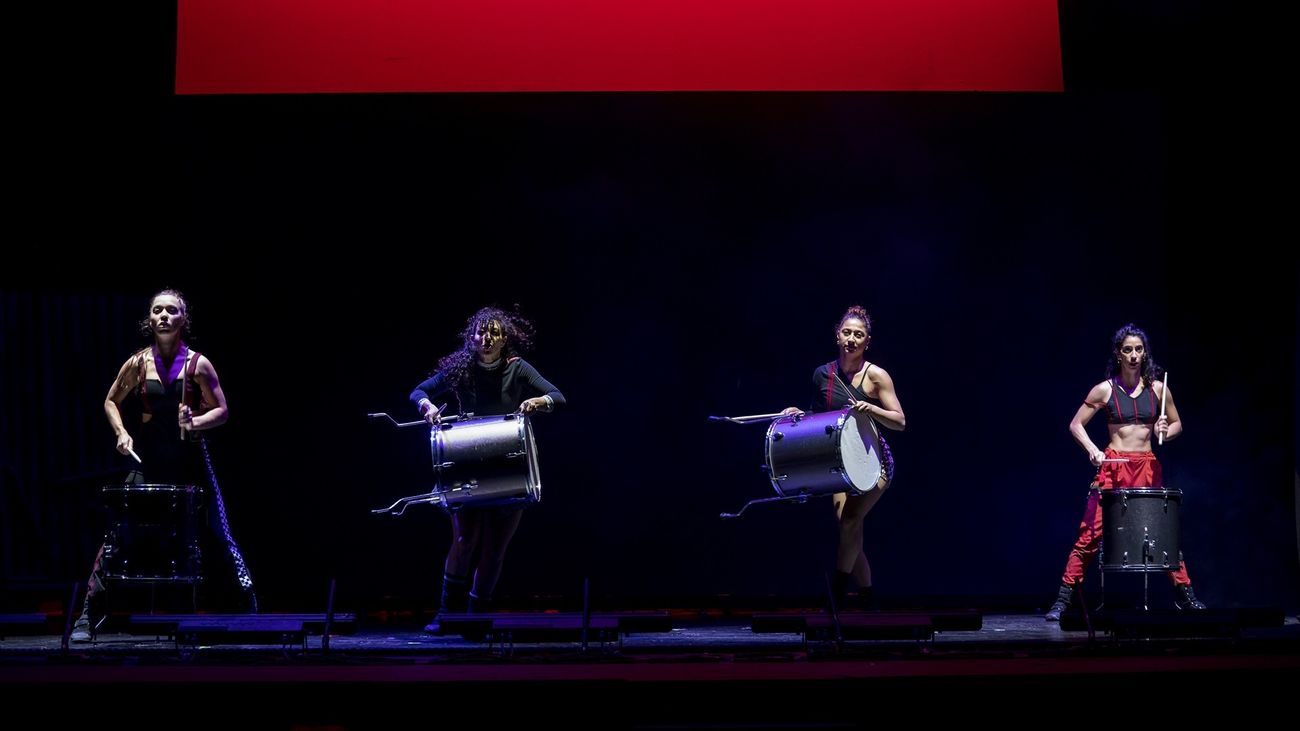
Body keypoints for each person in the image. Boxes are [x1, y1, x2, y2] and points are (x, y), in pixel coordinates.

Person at [71, 289, 257, 642]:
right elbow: (111, 401)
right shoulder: (138, 363)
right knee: (115, 536)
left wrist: (195, 423)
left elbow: (222, 410)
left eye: (172, 310)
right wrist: (122, 433)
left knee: (218, 533)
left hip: (190, 462)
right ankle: (86, 616)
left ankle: (250, 611)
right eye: (157, 310)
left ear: (183, 318)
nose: (164, 316)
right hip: (150, 461)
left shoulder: (197, 364)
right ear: (150, 319)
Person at [410, 306, 565, 632]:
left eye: (494, 333)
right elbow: (419, 391)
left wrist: (539, 402)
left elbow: (557, 396)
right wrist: (426, 406)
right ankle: (447, 615)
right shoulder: (461, 368)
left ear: (504, 338)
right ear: (472, 337)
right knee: (466, 539)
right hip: (467, 463)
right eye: (481, 332)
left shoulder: (516, 368)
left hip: (508, 465)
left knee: (495, 549)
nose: (487, 338)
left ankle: (477, 616)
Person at [1045, 323, 1206, 620]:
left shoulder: (1159, 388)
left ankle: (1186, 597)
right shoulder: (1105, 389)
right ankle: (1063, 600)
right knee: (1091, 533)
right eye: (1128, 350)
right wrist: (1093, 449)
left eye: (1139, 349)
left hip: (1146, 465)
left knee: (1162, 534)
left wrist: (1164, 432)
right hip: (1113, 466)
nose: (1134, 355)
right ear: (1118, 353)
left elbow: (1177, 424)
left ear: (1145, 353)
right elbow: (1075, 424)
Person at [782, 306, 905, 610]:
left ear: (867, 341)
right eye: (847, 332)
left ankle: (836, 595)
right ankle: (867, 595)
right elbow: (819, 416)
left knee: (851, 520)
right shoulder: (823, 374)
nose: (852, 339)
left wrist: (872, 409)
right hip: (841, 462)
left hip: (875, 462)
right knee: (850, 528)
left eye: (858, 335)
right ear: (837, 334)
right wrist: (800, 414)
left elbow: (900, 421)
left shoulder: (875, 376)